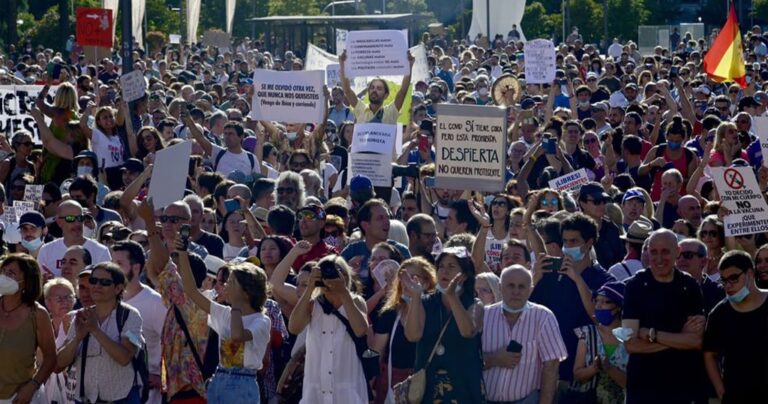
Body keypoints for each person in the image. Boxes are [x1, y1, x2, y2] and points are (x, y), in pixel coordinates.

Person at [621, 229, 707, 404]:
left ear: (677, 252)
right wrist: (679, 338)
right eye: (654, 252)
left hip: (684, 386)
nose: (659, 258)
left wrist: (653, 335)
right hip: (644, 388)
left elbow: (696, 341)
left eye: (665, 252)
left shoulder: (689, 286)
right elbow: (631, 344)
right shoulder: (635, 286)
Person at [176, 248, 271, 403]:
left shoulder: (261, 321)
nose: (225, 286)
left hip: (243, 382)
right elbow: (192, 292)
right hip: (219, 377)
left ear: (247, 292)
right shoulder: (226, 313)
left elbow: (238, 335)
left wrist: (236, 305)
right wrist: (182, 254)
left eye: (231, 283)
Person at [402, 246, 485, 403]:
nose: (444, 271)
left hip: (464, 388)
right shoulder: (425, 302)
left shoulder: (475, 305)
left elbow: (467, 331)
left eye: (451, 266)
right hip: (429, 389)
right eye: (441, 267)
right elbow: (413, 335)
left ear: (465, 275)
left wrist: (452, 296)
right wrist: (415, 297)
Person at [56, 262, 145, 404]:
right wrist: (78, 337)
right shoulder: (81, 316)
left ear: (118, 288)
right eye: (93, 281)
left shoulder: (130, 315)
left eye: (104, 282)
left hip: (122, 399)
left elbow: (124, 358)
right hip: (85, 399)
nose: (96, 286)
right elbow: (58, 365)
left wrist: (95, 330)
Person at [288, 255, 370, 403]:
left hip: (347, 389)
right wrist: (309, 288)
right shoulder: (313, 305)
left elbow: (361, 330)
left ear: (345, 276)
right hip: (315, 391)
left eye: (336, 273)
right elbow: (294, 328)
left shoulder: (355, 301)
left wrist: (343, 292)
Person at [482, 265, 567, 404]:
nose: (516, 291)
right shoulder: (484, 315)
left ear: (530, 288)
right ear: (499, 286)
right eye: (510, 285)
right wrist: (494, 359)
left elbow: (551, 366)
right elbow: (468, 360)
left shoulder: (543, 317)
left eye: (521, 286)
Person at [703, 250, 768, 403]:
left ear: (750, 274)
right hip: (736, 394)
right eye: (723, 281)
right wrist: (721, 391)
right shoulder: (719, 313)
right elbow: (709, 355)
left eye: (733, 278)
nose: (728, 286)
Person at [371, 257, 437, 403]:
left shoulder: (435, 311)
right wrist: (370, 382)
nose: (407, 282)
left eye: (413, 277)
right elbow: (376, 352)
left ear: (426, 282)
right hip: (393, 385)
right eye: (402, 277)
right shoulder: (390, 313)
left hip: (427, 383)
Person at [111, 240, 167, 404]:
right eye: (112, 263)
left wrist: (161, 378)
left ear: (136, 268)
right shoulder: (106, 300)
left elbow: (172, 343)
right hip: (112, 390)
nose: (113, 269)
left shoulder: (155, 302)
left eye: (119, 263)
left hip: (146, 395)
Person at [0, 254, 57, 404]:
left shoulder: (37, 314)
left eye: (11, 273)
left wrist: (33, 386)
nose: (4, 276)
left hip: (21, 398)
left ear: (26, 281)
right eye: (3, 270)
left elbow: (51, 357)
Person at [572, 281, 628, 403]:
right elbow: (577, 374)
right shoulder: (587, 334)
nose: (598, 305)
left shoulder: (630, 338)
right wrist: (593, 368)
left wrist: (609, 368)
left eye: (606, 302)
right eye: (597, 300)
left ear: (619, 306)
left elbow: (634, 383)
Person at [37, 200, 112, 277]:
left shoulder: (101, 251)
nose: (77, 223)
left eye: (80, 218)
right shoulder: (46, 250)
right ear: (59, 222)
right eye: (70, 218)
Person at [42, 278, 77, 404]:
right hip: (46, 392)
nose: (64, 302)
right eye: (58, 298)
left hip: (74, 391)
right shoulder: (40, 327)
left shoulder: (82, 324)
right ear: (47, 303)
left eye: (68, 297)